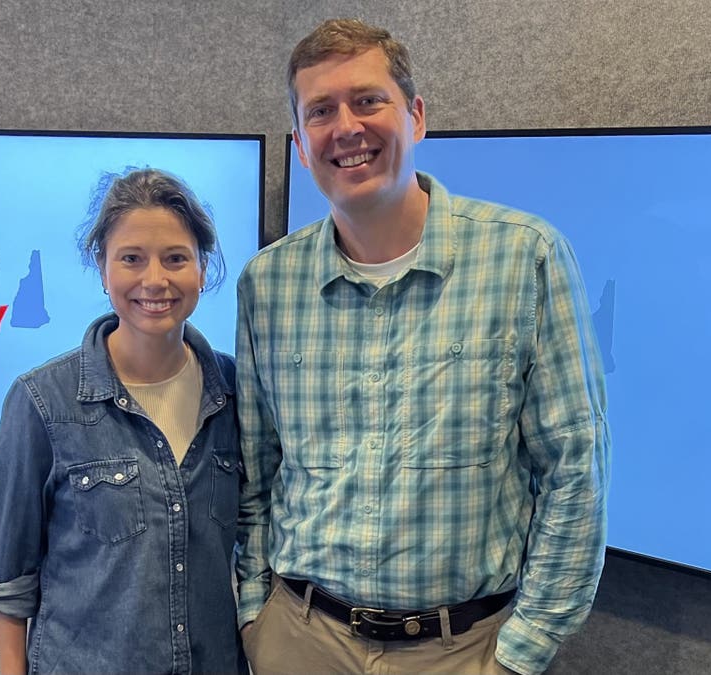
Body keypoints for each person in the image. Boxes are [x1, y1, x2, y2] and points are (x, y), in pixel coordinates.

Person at [235, 19, 610, 675]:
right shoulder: (266, 283)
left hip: (463, 651)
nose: (345, 126)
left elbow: (575, 472)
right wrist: (253, 616)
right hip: (299, 640)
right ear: (299, 144)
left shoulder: (526, 257)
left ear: (415, 116)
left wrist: (518, 655)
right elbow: (253, 472)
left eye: (367, 100)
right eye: (320, 111)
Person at [0, 168, 245, 675]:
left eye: (176, 258)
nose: (155, 280)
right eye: (131, 259)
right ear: (103, 267)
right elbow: (7, 577)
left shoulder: (233, 391)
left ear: (202, 268)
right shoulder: (41, 401)